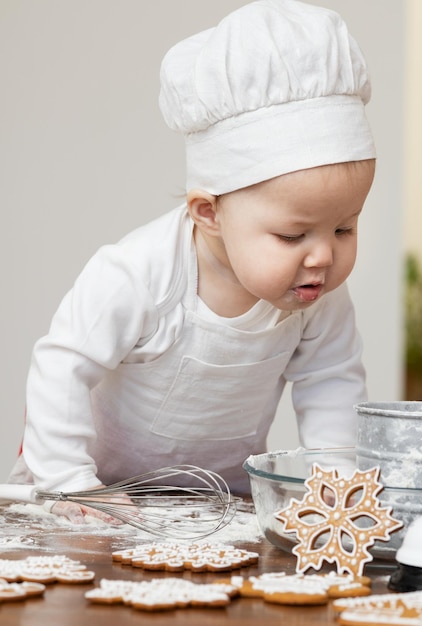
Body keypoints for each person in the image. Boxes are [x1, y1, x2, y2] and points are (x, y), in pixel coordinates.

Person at [9, 0, 376, 522]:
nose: (324, 255)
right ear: (208, 213)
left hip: (215, 503)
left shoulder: (318, 297)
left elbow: (332, 381)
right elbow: (61, 365)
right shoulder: (138, 273)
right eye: (293, 234)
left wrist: (333, 485)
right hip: (95, 496)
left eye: (345, 227)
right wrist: (70, 482)